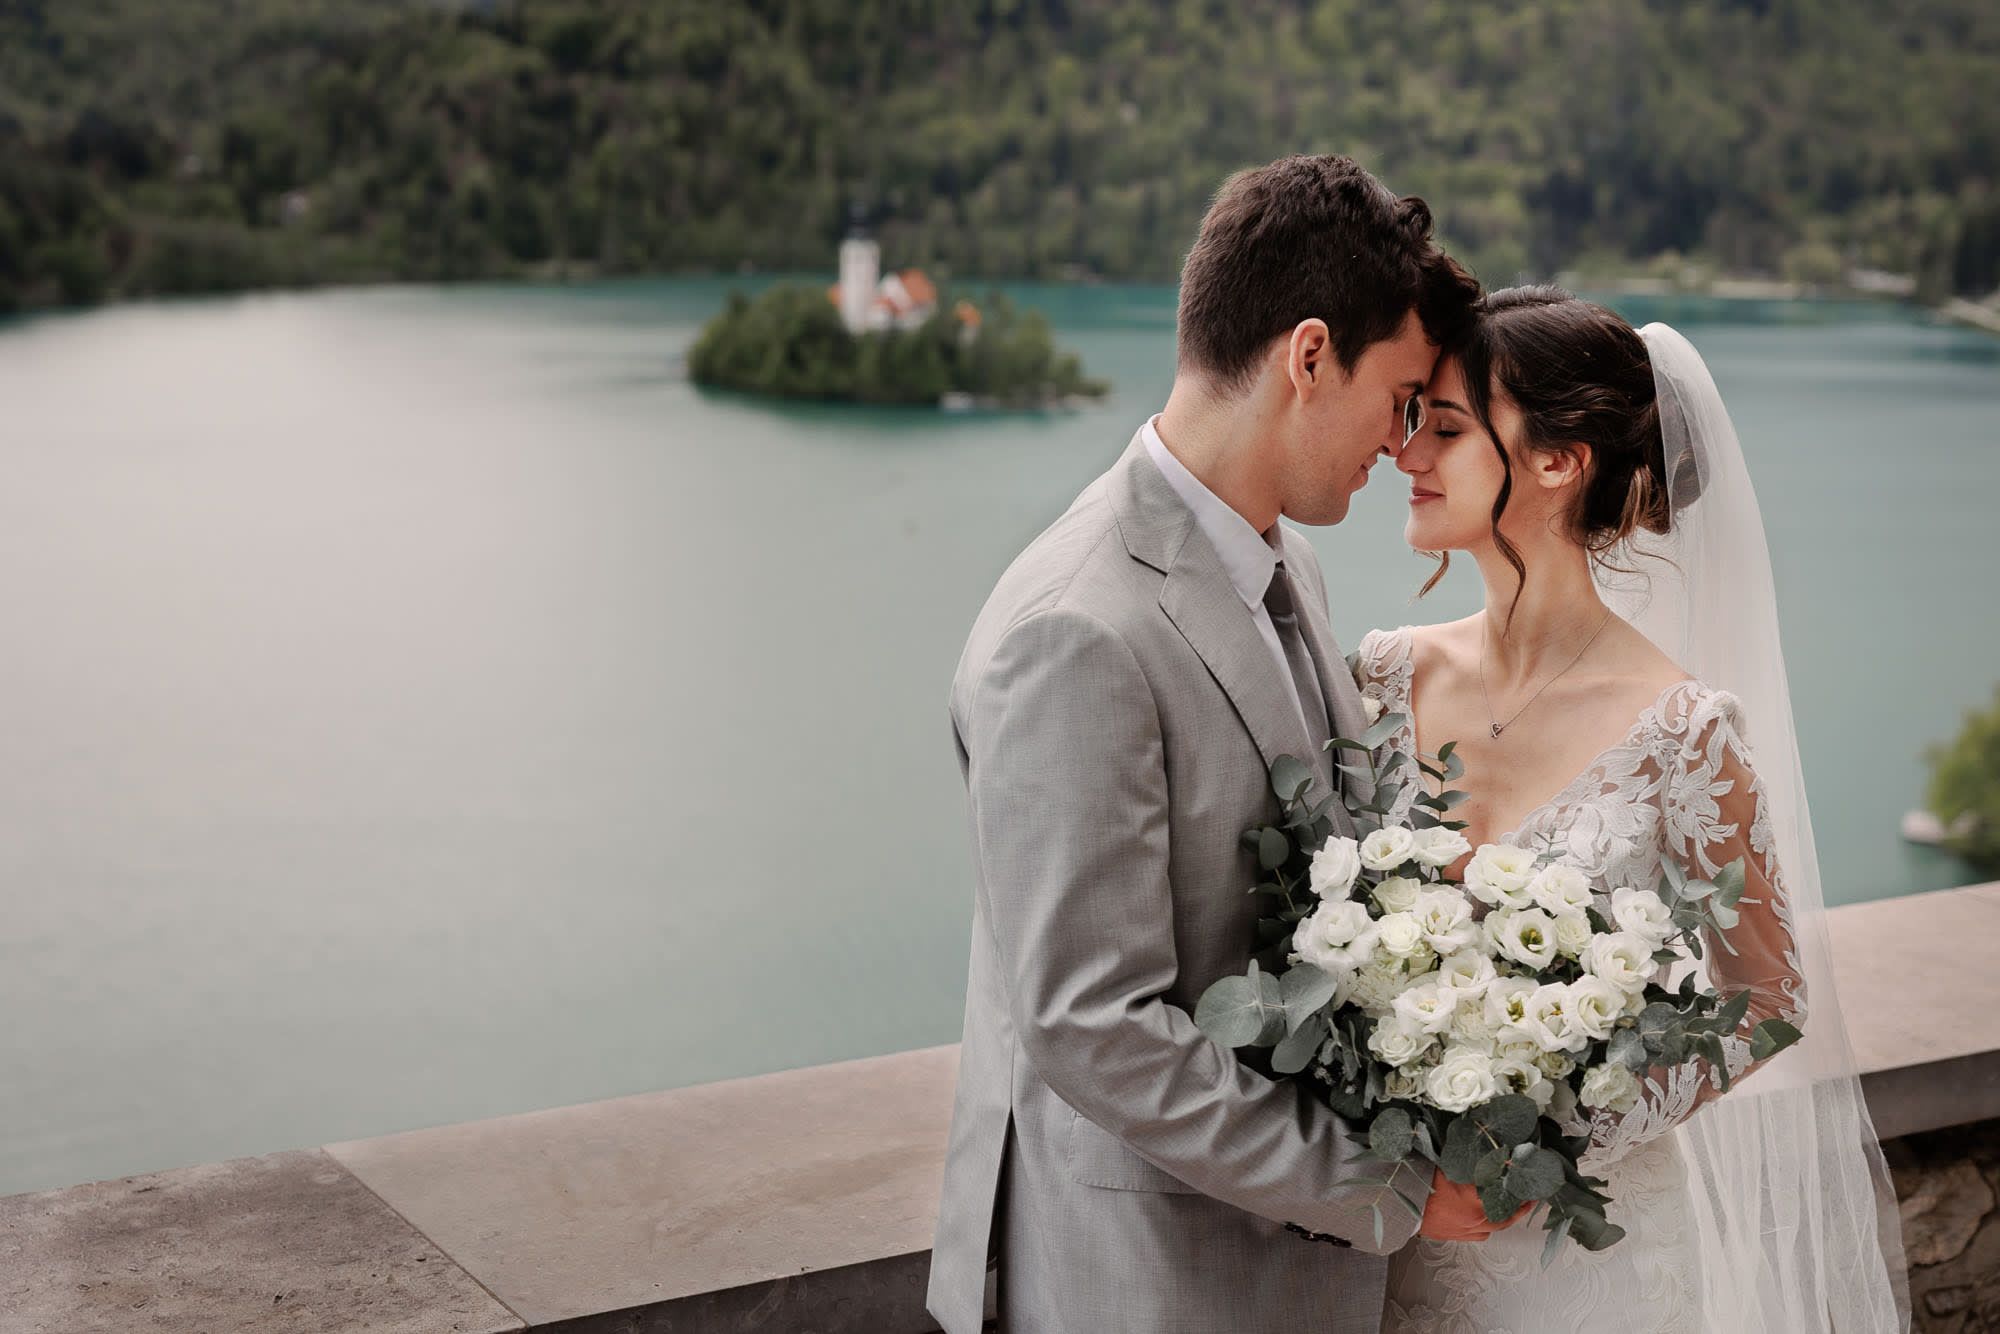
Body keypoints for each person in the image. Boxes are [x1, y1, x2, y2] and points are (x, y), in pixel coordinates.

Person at [924, 153, 1509, 1334]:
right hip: (1148, 1275)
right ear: (1306, 357)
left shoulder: (1282, 553)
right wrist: (1381, 1186)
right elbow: (1090, 1020)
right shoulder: (1074, 631)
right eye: (1398, 397)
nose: (1401, 444)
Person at [1362, 286, 1912, 1331]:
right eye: (1405, 423)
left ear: (1559, 461)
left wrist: (1557, 1143)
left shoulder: (1679, 730)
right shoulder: (1381, 677)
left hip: (1587, 1258)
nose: (1404, 456)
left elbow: (1766, 995)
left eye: (1441, 428)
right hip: (1403, 1238)